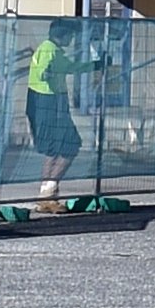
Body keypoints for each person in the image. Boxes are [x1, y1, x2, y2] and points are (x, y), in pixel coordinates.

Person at [24, 18, 102, 210]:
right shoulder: (50, 51)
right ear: (64, 35)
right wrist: (46, 73)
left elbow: (71, 67)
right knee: (71, 145)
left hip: (47, 103)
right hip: (49, 104)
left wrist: (96, 65)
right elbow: (44, 70)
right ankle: (48, 193)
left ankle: (47, 195)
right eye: (71, 35)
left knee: (54, 149)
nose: (72, 38)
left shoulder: (50, 49)